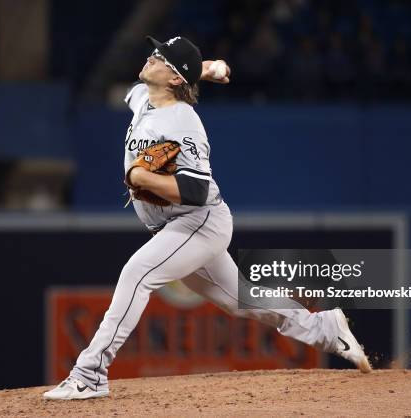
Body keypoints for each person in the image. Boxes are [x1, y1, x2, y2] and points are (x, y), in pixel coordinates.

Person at [44, 35, 371, 401]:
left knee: (137, 274)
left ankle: (90, 373)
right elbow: (185, 73)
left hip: (198, 221)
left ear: (174, 79)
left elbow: (196, 190)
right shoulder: (143, 97)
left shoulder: (184, 121)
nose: (152, 58)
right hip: (174, 226)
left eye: (161, 57)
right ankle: (324, 328)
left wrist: (142, 178)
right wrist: (212, 68)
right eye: (155, 52)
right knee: (243, 301)